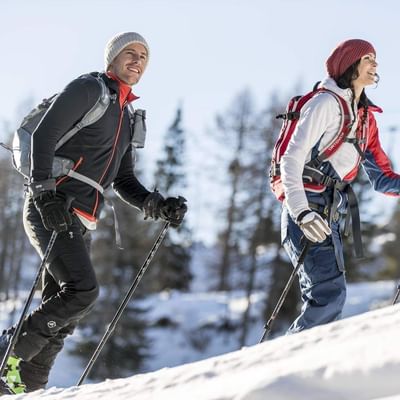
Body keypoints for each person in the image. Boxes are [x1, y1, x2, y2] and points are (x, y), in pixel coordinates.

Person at [0, 32, 187, 393]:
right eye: (129, 53)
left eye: (143, 56)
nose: (137, 60)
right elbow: (44, 135)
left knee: (65, 308)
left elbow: (124, 178)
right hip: (50, 207)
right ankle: (7, 353)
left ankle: (28, 385)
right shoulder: (89, 90)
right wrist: (44, 193)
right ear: (112, 58)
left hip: (78, 219)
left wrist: (157, 204)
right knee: (82, 291)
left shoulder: (128, 115)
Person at [280, 38, 400, 334]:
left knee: (329, 296)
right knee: (328, 296)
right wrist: (301, 212)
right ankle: (287, 368)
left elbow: (382, 177)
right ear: (350, 64)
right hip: (307, 211)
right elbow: (290, 159)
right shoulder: (325, 104)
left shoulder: (364, 120)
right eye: (368, 58)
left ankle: (293, 367)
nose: (375, 64)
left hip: (330, 217)